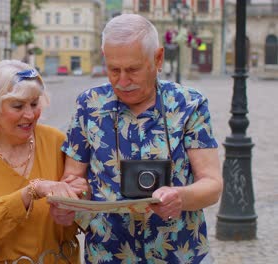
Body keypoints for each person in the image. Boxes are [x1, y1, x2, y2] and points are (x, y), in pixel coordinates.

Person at [51, 14, 223, 263]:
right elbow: (74, 178)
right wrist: (70, 203)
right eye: (113, 70)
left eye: (132, 70)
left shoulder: (188, 103)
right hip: (107, 254)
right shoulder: (89, 105)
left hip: (179, 254)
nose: (122, 81)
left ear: (158, 58)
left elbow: (212, 185)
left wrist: (179, 198)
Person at [0, 60, 87, 263]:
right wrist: (32, 191)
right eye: (18, 106)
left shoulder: (56, 141)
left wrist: (79, 201)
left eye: (34, 104)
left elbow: (82, 216)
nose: (30, 114)